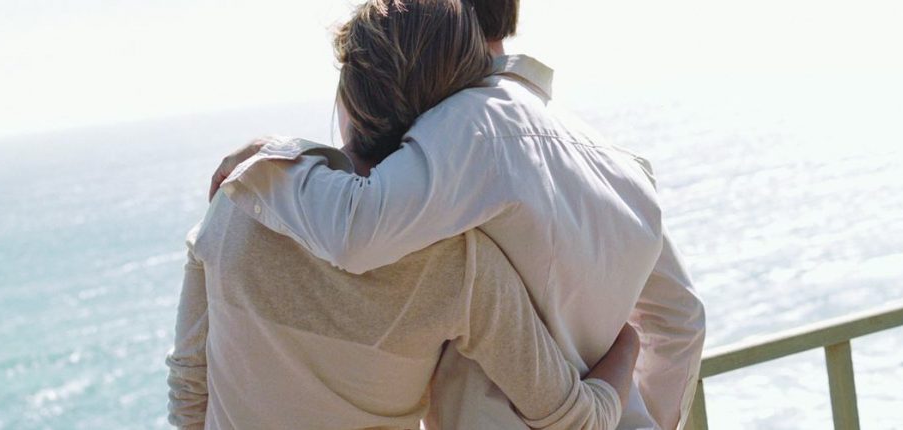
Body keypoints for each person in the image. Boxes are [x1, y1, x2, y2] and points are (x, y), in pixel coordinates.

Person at [208, 0, 707, 428]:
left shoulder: (464, 126)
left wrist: (267, 159)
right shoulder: (619, 163)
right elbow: (681, 320)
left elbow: (357, 231)